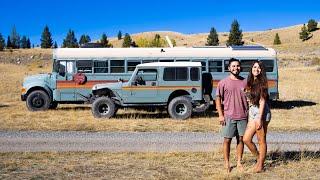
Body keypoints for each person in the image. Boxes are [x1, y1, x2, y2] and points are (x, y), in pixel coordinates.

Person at [215, 58, 248, 173]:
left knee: (241, 140)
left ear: (240, 68)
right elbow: (218, 99)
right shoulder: (223, 82)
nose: (236, 68)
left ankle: (239, 162)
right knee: (227, 140)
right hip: (228, 116)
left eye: (237, 66)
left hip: (243, 116)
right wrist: (220, 115)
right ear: (229, 68)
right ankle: (227, 163)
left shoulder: (245, 82)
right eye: (233, 66)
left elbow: (250, 98)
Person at [243, 60, 271, 173]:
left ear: (261, 70)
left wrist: (259, 118)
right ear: (251, 69)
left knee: (261, 140)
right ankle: (260, 158)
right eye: (254, 67)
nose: (256, 69)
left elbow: (262, 101)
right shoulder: (249, 81)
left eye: (259, 68)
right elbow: (248, 97)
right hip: (253, 111)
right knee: (246, 139)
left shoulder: (263, 82)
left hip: (262, 113)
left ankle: (260, 165)